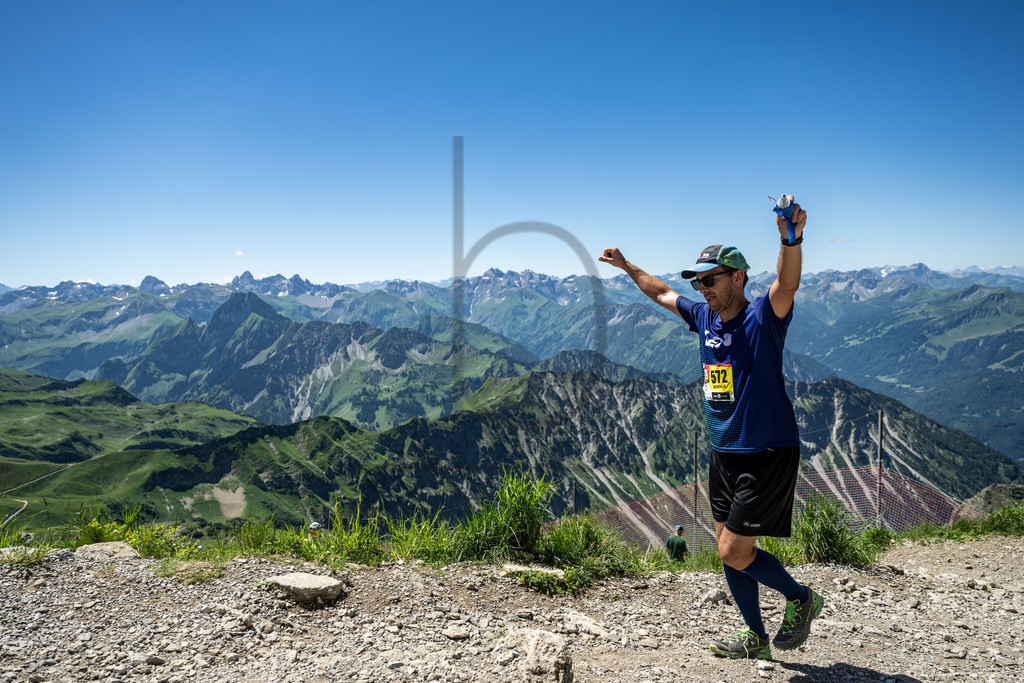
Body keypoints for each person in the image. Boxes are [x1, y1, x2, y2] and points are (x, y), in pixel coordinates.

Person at [599, 196, 823, 661]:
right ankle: (755, 637)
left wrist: (790, 238)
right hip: (723, 451)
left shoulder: (763, 315)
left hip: (766, 450)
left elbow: (787, 283)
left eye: (710, 279)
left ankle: (801, 598)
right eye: (698, 281)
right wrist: (626, 267)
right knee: (728, 547)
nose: (702, 288)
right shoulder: (703, 317)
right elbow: (659, 291)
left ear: (737, 277)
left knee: (732, 552)